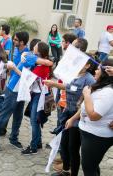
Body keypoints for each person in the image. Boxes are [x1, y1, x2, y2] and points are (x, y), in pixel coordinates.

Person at [0, 31, 53, 151]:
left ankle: (13, 138)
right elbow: (46, 62)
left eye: (34, 47)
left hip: (21, 90)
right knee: (5, 115)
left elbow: (45, 63)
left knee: (18, 116)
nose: (32, 47)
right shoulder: (27, 54)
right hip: (13, 88)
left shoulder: (28, 54)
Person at [44, 38, 97, 176]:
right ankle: (65, 170)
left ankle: (73, 173)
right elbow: (68, 87)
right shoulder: (74, 73)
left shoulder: (89, 79)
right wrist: (53, 84)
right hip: (67, 112)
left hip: (78, 117)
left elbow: (90, 101)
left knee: (73, 148)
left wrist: (75, 117)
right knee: (65, 145)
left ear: (87, 66)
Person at [65, 60, 113, 176]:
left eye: (98, 69)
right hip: (88, 132)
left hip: (97, 136)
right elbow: (85, 107)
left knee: (88, 168)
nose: (95, 71)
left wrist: (86, 95)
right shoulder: (99, 86)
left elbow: (93, 116)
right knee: (91, 165)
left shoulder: (108, 92)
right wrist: (73, 119)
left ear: (106, 73)